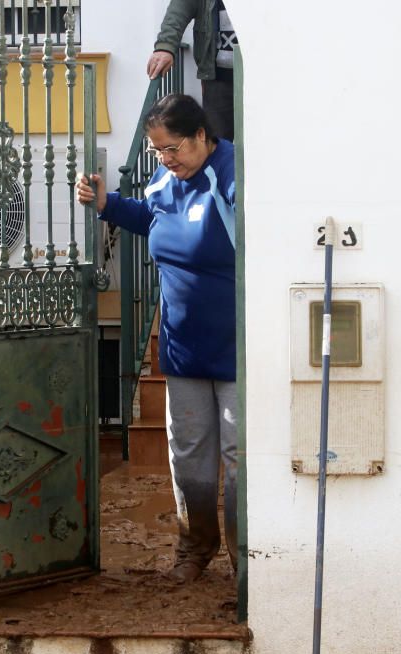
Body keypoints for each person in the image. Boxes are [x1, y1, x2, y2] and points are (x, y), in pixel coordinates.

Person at [76, 94, 236, 584]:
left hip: (239, 347)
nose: (167, 159)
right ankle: (196, 547)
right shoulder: (169, 180)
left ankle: (250, 556)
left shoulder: (234, 178)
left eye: (174, 148)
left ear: (203, 136)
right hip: (183, 346)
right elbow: (151, 218)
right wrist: (106, 205)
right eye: (158, 151)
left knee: (238, 453)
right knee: (187, 452)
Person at [146, 0, 237, 142]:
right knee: (215, 143)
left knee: (265, 140)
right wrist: (165, 47)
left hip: (265, 72)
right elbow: (179, 10)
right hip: (218, 77)